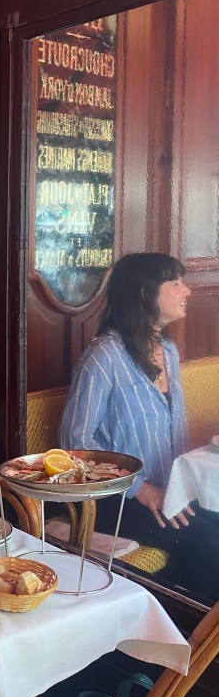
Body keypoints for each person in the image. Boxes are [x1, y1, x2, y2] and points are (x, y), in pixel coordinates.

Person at [60, 252, 219, 602]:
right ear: (146, 293)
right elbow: (76, 442)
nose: (186, 291)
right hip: (117, 500)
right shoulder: (105, 356)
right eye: (175, 283)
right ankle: (194, 642)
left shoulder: (168, 351)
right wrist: (141, 489)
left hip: (172, 489)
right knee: (210, 546)